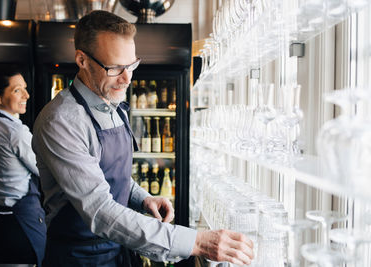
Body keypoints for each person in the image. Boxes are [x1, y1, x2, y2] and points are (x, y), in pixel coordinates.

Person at [32, 10, 254, 267]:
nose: (127, 79)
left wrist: (141, 197)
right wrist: (197, 241)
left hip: (118, 248)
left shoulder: (111, 103)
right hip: (78, 257)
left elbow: (109, 176)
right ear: (82, 60)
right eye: (115, 68)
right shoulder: (61, 121)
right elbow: (101, 211)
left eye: (132, 65)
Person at [0, 66, 46, 266]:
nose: (27, 95)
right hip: (17, 225)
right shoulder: (15, 132)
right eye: (17, 90)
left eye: (25, 88)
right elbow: (44, 168)